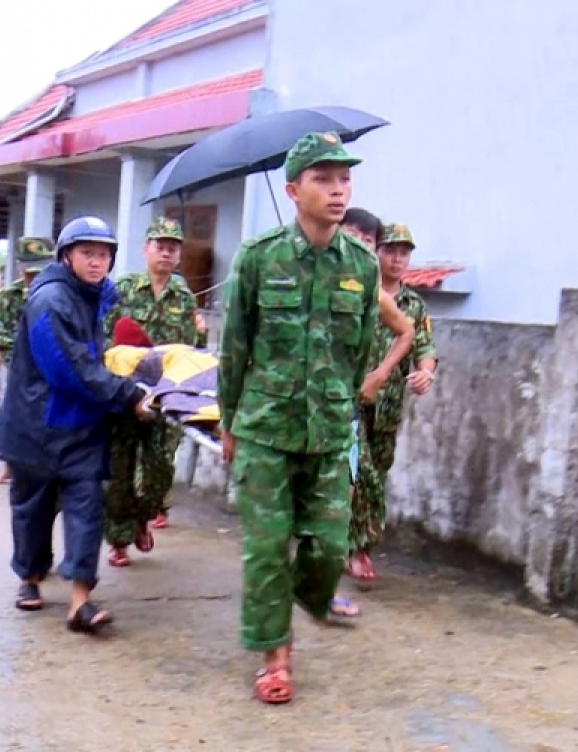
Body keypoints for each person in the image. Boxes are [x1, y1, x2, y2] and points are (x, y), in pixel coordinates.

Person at [218, 132, 380, 705]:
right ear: (293, 190)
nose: (338, 191)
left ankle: (304, 601)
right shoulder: (259, 258)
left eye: (344, 180)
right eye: (323, 179)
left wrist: (343, 411)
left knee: (328, 547)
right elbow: (234, 345)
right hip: (264, 427)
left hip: (330, 431)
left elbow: (359, 352)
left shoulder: (361, 264)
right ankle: (275, 657)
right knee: (267, 548)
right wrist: (230, 423)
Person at [0, 215, 154, 633]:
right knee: (33, 510)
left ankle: (80, 601)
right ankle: (29, 578)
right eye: (87, 253)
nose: (96, 262)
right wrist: (127, 395)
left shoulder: (100, 297)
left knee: (87, 512)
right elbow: (69, 368)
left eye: (103, 255)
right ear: (67, 256)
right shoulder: (49, 301)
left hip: (83, 429)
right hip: (36, 427)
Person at [102, 216, 208, 567]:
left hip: (165, 399)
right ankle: (119, 538)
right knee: (120, 469)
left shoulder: (184, 296)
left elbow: (191, 354)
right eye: (159, 246)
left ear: (179, 255)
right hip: (125, 395)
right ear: (145, 249)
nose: (165, 252)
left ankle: (143, 518)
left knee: (160, 468)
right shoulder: (123, 289)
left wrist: (202, 334)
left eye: (173, 247)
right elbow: (106, 337)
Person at [328, 208, 416, 616]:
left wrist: (380, 374)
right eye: (352, 236)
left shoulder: (369, 290)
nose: (359, 245)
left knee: (360, 476)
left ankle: (350, 554)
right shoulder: (308, 275)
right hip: (308, 404)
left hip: (363, 405)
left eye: (367, 239)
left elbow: (409, 332)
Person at [348, 221, 438, 581]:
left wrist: (425, 373)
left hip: (386, 408)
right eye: (391, 250)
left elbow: (425, 348)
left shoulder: (414, 305)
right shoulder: (356, 290)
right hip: (349, 400)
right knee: (361, 474)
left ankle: (349, 543)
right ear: (377, 251)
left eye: (405, 252)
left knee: (375, 475)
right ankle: (358, 549)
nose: (397, 258)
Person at [0, 237, 56, 485]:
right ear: (19, 267)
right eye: (29, 272)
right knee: (12, 417)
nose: (33, 278)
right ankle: (11, 465)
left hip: (54, 369)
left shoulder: (60, 293)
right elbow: (4, 338)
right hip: (20, 369)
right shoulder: (8, 297)